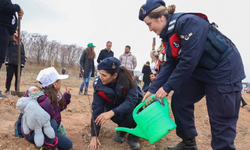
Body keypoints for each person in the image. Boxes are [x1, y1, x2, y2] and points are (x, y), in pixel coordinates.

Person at [139, 0, 245, 150]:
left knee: (220, 118)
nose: (149, 29)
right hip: (201, 71)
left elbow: (188, 61)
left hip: (224, 71)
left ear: (161, 18)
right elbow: (170, 63)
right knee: (180, 99)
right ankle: (188, 142)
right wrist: (153, 89)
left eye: (149, 24)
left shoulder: (189, 23)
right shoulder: (169, 35)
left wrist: (167, 87)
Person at [88, 57, 141, 150]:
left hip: (134, 109)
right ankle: (122, 129)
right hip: (116, 112)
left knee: (138, 115)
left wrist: (112, 112)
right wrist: (94, 135)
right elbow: (97, 109)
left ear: (115, 75)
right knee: (119, 116)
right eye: (99, 74)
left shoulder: (128, 80)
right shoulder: (99, 86)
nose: (101, 78)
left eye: (104, 75)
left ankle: (134, 134)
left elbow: (131, 101)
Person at [21, 67, 73, 149]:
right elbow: (56, 112)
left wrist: (66, 95)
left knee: (55, 126)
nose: (61, 82)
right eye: (59, 80)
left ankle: (49, 139)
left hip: (32, 132)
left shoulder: (42, 95)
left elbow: (59, 108)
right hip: (37, 134)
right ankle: (48, 144)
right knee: (67, 143)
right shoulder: (48, 99)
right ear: (55, 84)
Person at [0, 0, 24, 98]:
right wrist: (17, 8)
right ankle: (7, 89)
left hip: (5, 32)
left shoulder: (21, 44)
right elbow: (3, 4)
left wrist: (13, 33)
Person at [4, 29, 26, 95]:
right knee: (9, 76)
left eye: (18, 33)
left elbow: (23, 54)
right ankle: (7, 89)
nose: (17, 34)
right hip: (11, 62)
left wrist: (23, 62)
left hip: (19, 64)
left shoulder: (21, 44)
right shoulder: (10, 40)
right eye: (16, 32)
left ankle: (17, 90)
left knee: (18, 78)